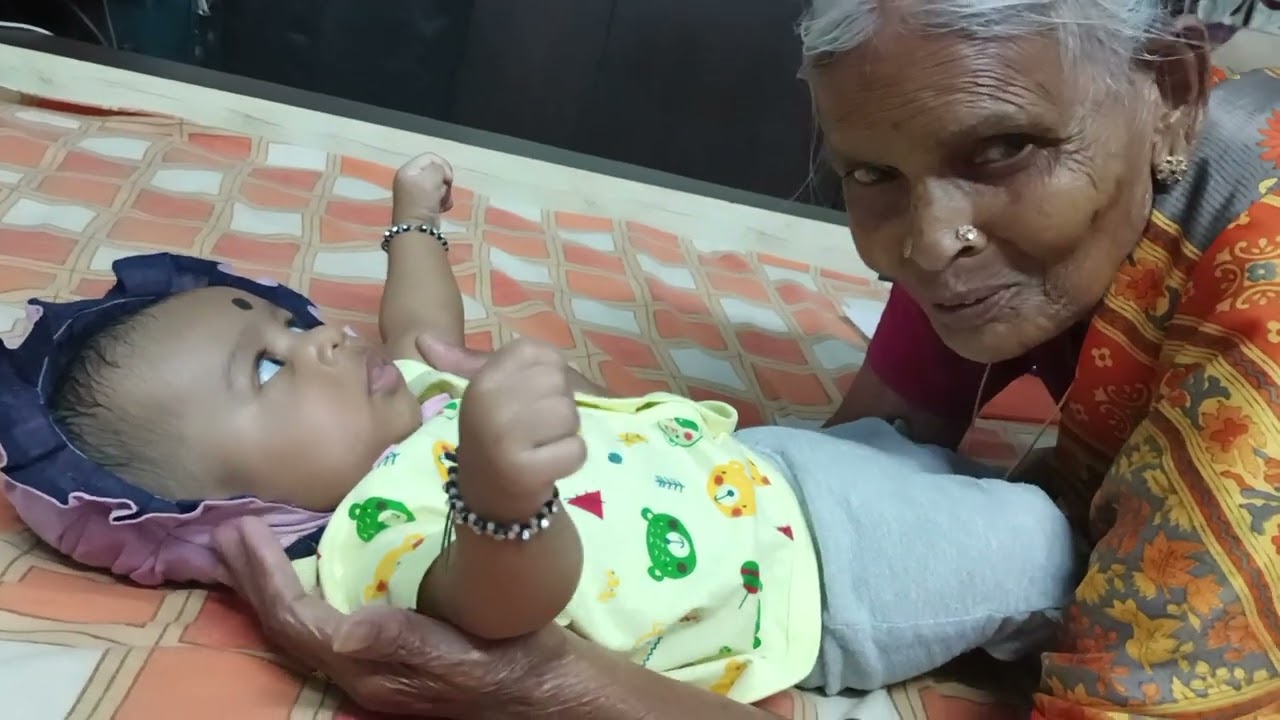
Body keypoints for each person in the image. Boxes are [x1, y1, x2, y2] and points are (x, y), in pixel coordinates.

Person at [211, 1, 1280, 718]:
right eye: (868, 175)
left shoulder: (1258, 325)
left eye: (1002, 150)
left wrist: (554, 687)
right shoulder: (965, 241)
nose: (925, 244)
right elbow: (872, 453)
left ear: (1174, 92)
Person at [0, 151, 1077, 707]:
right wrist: (497, 495)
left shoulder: (403, 398)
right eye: (270, 366)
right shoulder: (368, 537)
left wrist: (412, 219)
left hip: (779, 465)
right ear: (224, 506)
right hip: (826, 579)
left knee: (957, 458)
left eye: (287, 318)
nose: (319, 337)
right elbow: (494, 607)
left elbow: (420, 326)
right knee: (1046, 541)